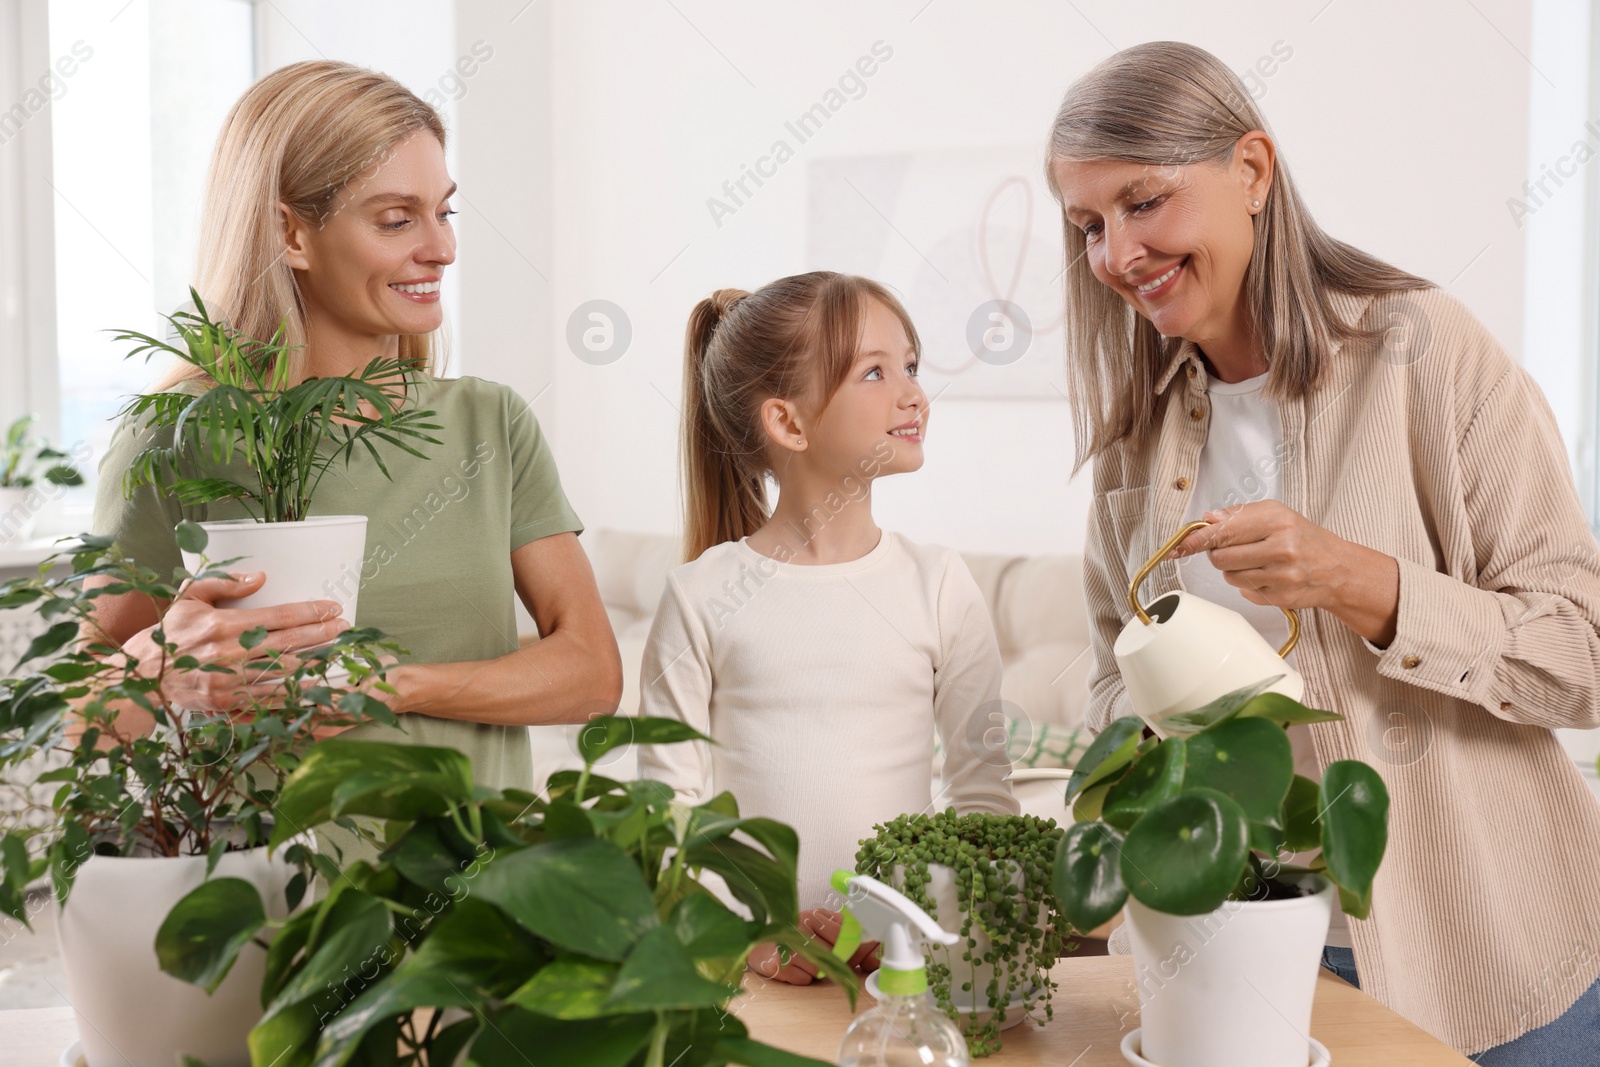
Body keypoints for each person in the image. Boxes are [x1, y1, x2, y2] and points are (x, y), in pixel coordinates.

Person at [1045, 40, 1600, 1064]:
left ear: (1251, 172)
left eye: (1142, 201)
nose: (1116, 253)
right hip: (1234, 956)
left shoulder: (1421, 348)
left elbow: (1583, 651)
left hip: (1488, 961)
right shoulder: (1136, 435)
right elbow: (1108, 683)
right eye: (1088, 224)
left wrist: (1362, 583)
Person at [87, 61, 622, 832]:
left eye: (445, 212)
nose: (442, 249)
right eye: (397, 218)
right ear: (290, 233)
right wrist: (161, 670)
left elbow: (591, 671)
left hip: (472, 921)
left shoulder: (488, 423)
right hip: (259, 912)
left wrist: (388, 686)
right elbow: (71, 717)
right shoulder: (176, 435)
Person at [634, 272, 1019, 983]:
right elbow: (668, 817)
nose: (911, 393)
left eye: (910, 365)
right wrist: (750, 938)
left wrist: (903, 915)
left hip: (900, 969)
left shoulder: (940, 585)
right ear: (788, 422)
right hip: (745, 978)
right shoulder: (699, 596)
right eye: (874, 371)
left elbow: (984, 804)